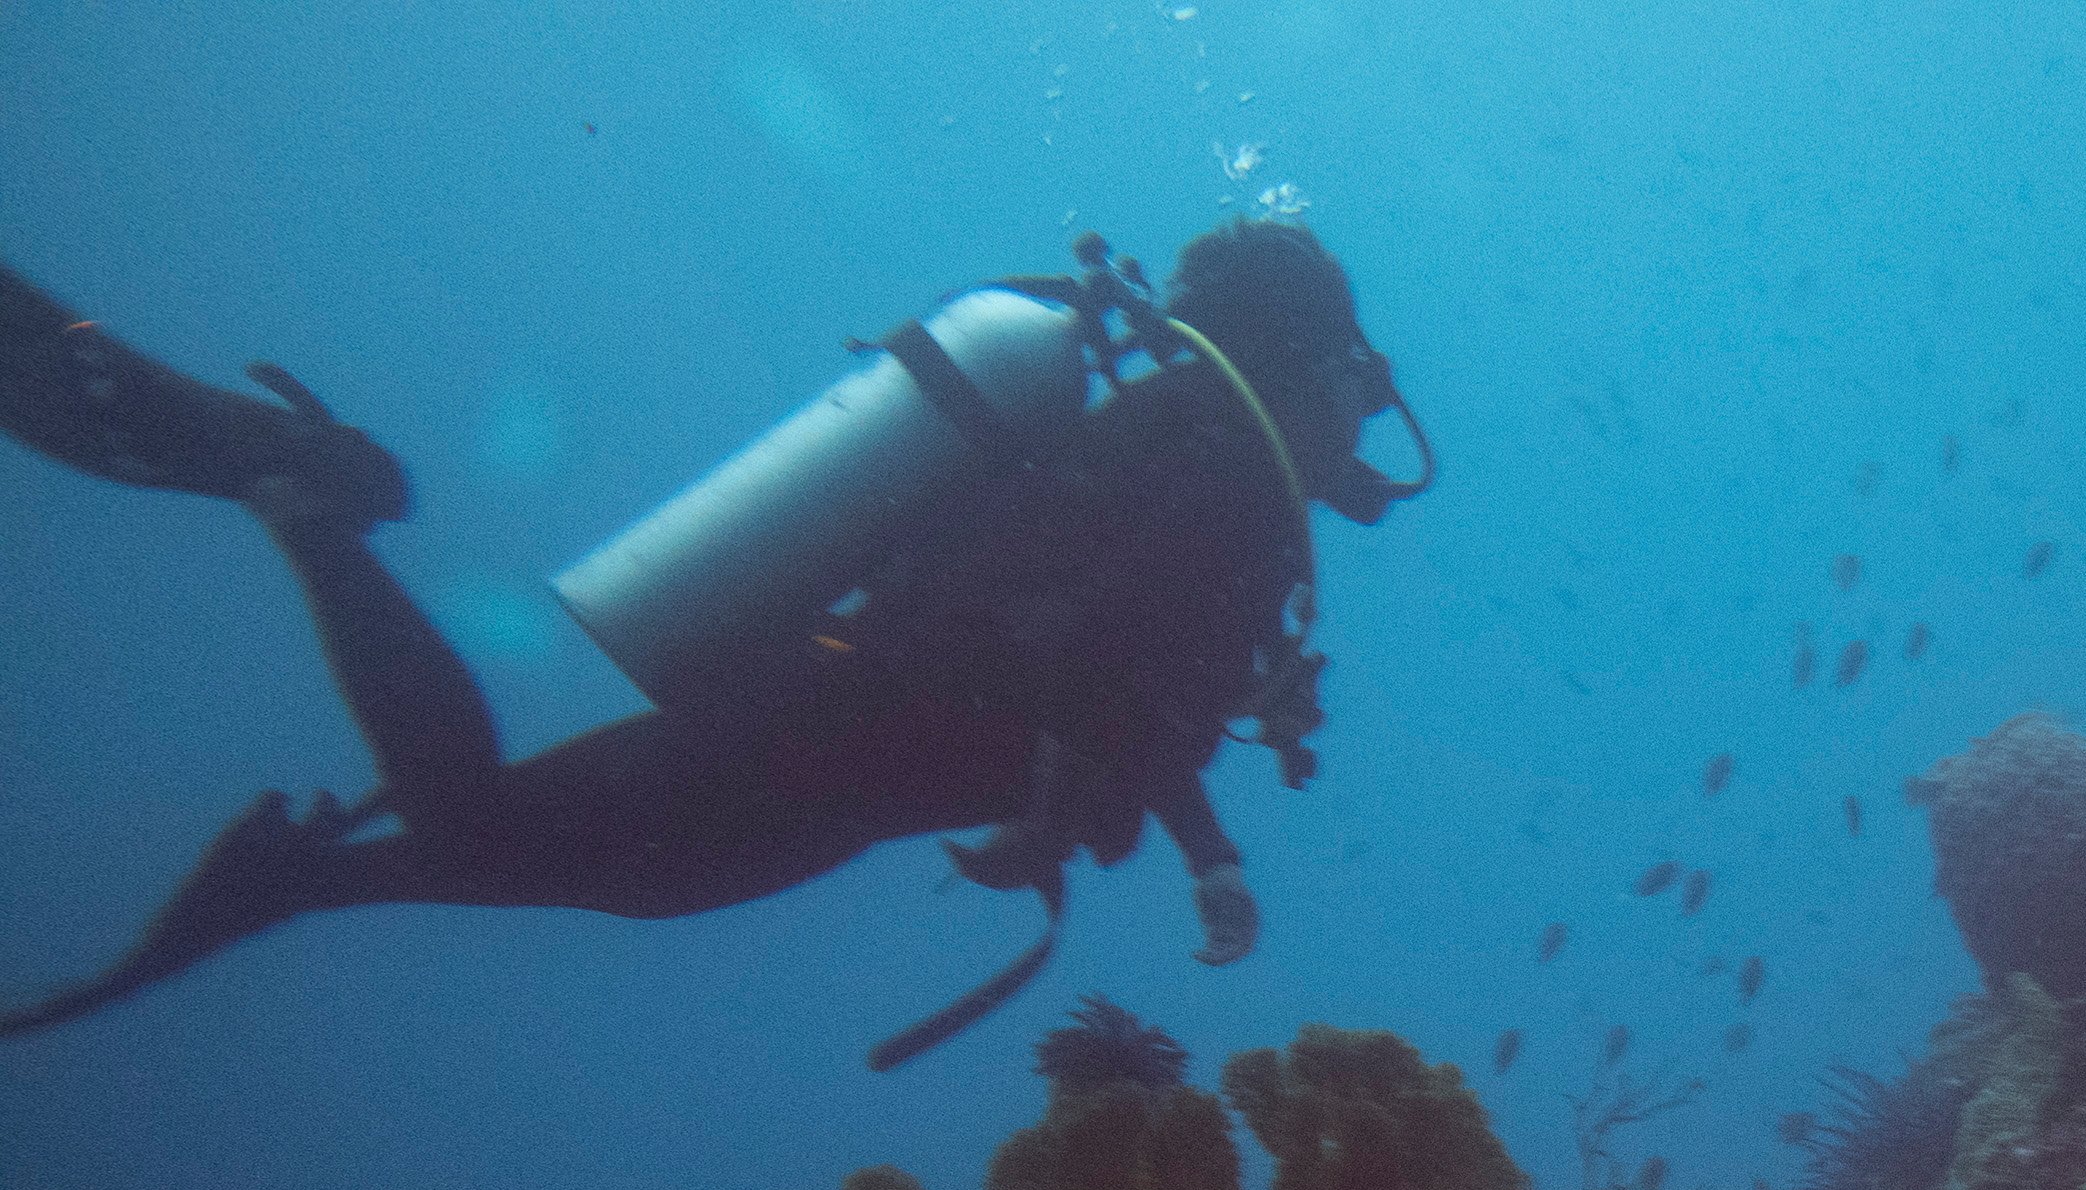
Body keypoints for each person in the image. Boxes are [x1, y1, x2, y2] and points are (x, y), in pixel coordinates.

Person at [0, 220, 1425, 1061]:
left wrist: (1202, 850)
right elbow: (1069, 647)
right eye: (1353, 379)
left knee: (511, 850)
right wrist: (1100, 809)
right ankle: (303, 509)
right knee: (480, 825)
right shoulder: (1220, 472)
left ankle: (289, 875)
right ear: (1302, 359)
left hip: (829, 761)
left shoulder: (1196, 459)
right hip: (823, 740)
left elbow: (1120, 678)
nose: (1360, 417)